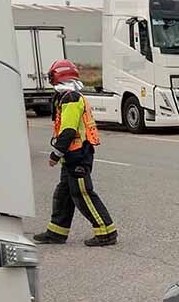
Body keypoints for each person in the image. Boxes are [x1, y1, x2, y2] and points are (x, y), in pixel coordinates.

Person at [32, 59, 118, 247]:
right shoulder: (68, 96)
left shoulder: (70, 98)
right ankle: (56, 233)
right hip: (73, 154)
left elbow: (69, 130)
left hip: (78, 154)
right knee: (63, 193)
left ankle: (106, 232)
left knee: (82, 193)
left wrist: (56, 154)